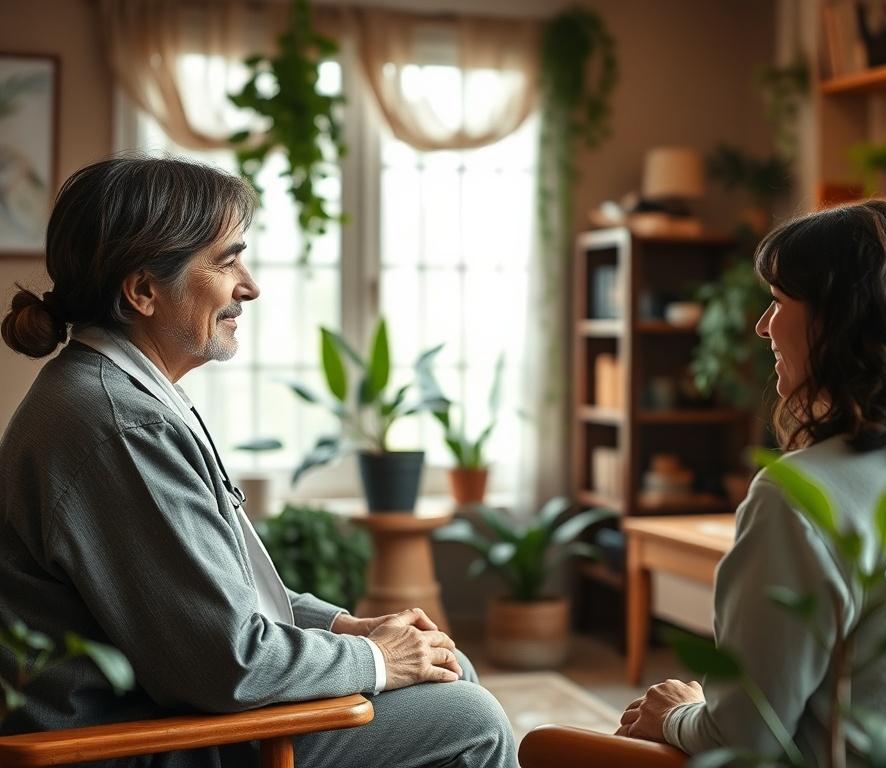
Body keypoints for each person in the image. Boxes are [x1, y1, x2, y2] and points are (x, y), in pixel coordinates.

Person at [0, 156, 516, 768]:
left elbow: (218, 594)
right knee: (467, 718)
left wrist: (346, 626)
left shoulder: (117, 393)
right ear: (142, 291)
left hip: (163, 705)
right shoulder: (121, 424)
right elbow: (227, 663)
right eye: (225, 261)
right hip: (127, 741)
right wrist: (380, 660)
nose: (250, 285)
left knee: (447, 665)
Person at [616, 200, 886, 766]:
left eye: (779, 302)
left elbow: (743, 739)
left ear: (840, 320)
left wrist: (679, 713)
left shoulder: (798, 495)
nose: (763, 326)